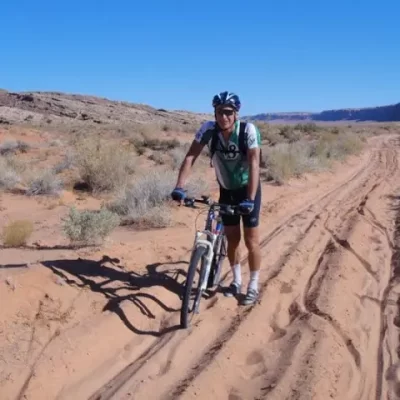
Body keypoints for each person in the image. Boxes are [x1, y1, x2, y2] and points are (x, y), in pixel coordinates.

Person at [171, 91, 262, 305]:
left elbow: (254, 163)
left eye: (228, 112)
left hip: (248, 190)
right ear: (215, 113)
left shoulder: (248, 131)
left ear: (236, 113)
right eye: (220, 112)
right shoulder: (208, 130)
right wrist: (179, 187)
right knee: (232, 239)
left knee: (251, 241)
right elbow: (190, 157)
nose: (224, 117)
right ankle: (236, 281)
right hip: (227, 190)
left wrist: (250, 199)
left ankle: (253, 285)